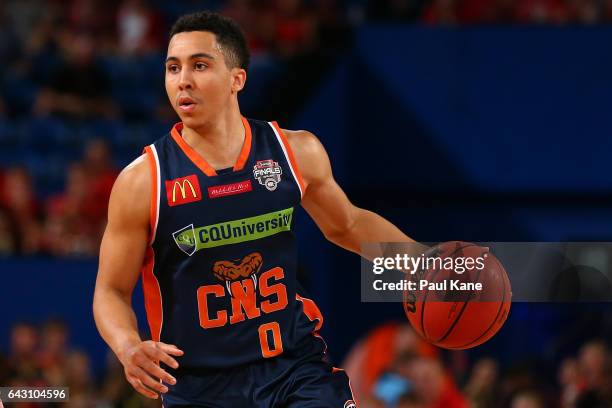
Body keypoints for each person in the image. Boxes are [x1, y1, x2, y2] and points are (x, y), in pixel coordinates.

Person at [93, 10, 416, 407]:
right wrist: (127, 346)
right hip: (199, 387)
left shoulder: (294, 151)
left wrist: (424, 264)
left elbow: (346, 224)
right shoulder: (144, 180)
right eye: (173, 68)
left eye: (200, 65)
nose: (183, 81)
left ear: (237, 79)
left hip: (294, 369)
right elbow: (110, 291)